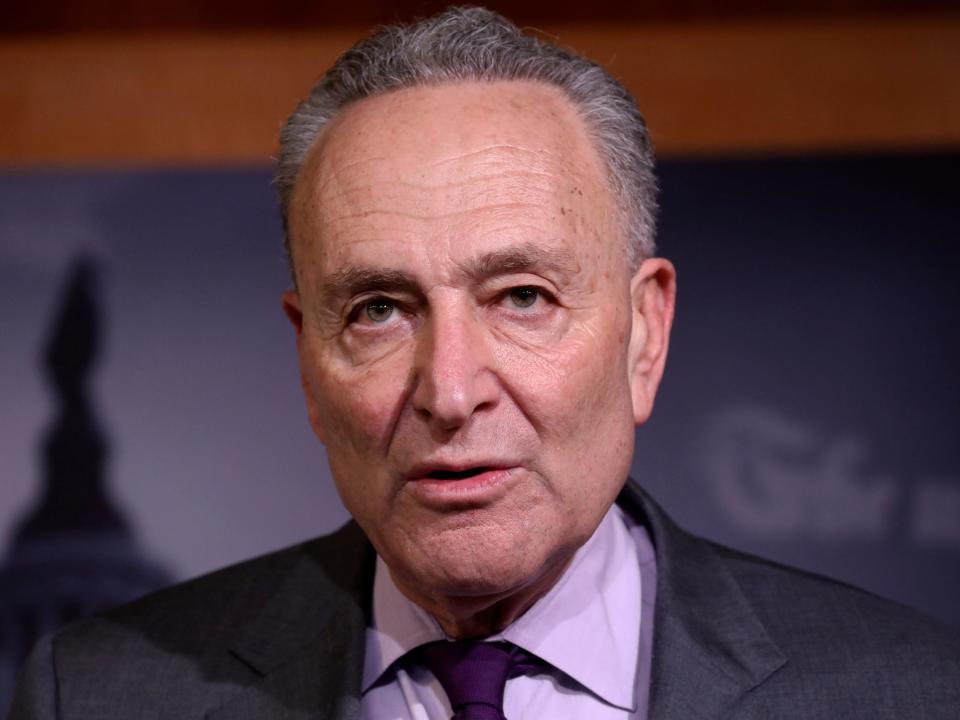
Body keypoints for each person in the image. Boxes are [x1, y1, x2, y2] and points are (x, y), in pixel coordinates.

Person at [8, 6, 960, 720]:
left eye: (521, 298)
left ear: (645, 335)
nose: (452, 390)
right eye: (380, 309)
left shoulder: (909, 694)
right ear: (307, 359)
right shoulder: (96, 696)